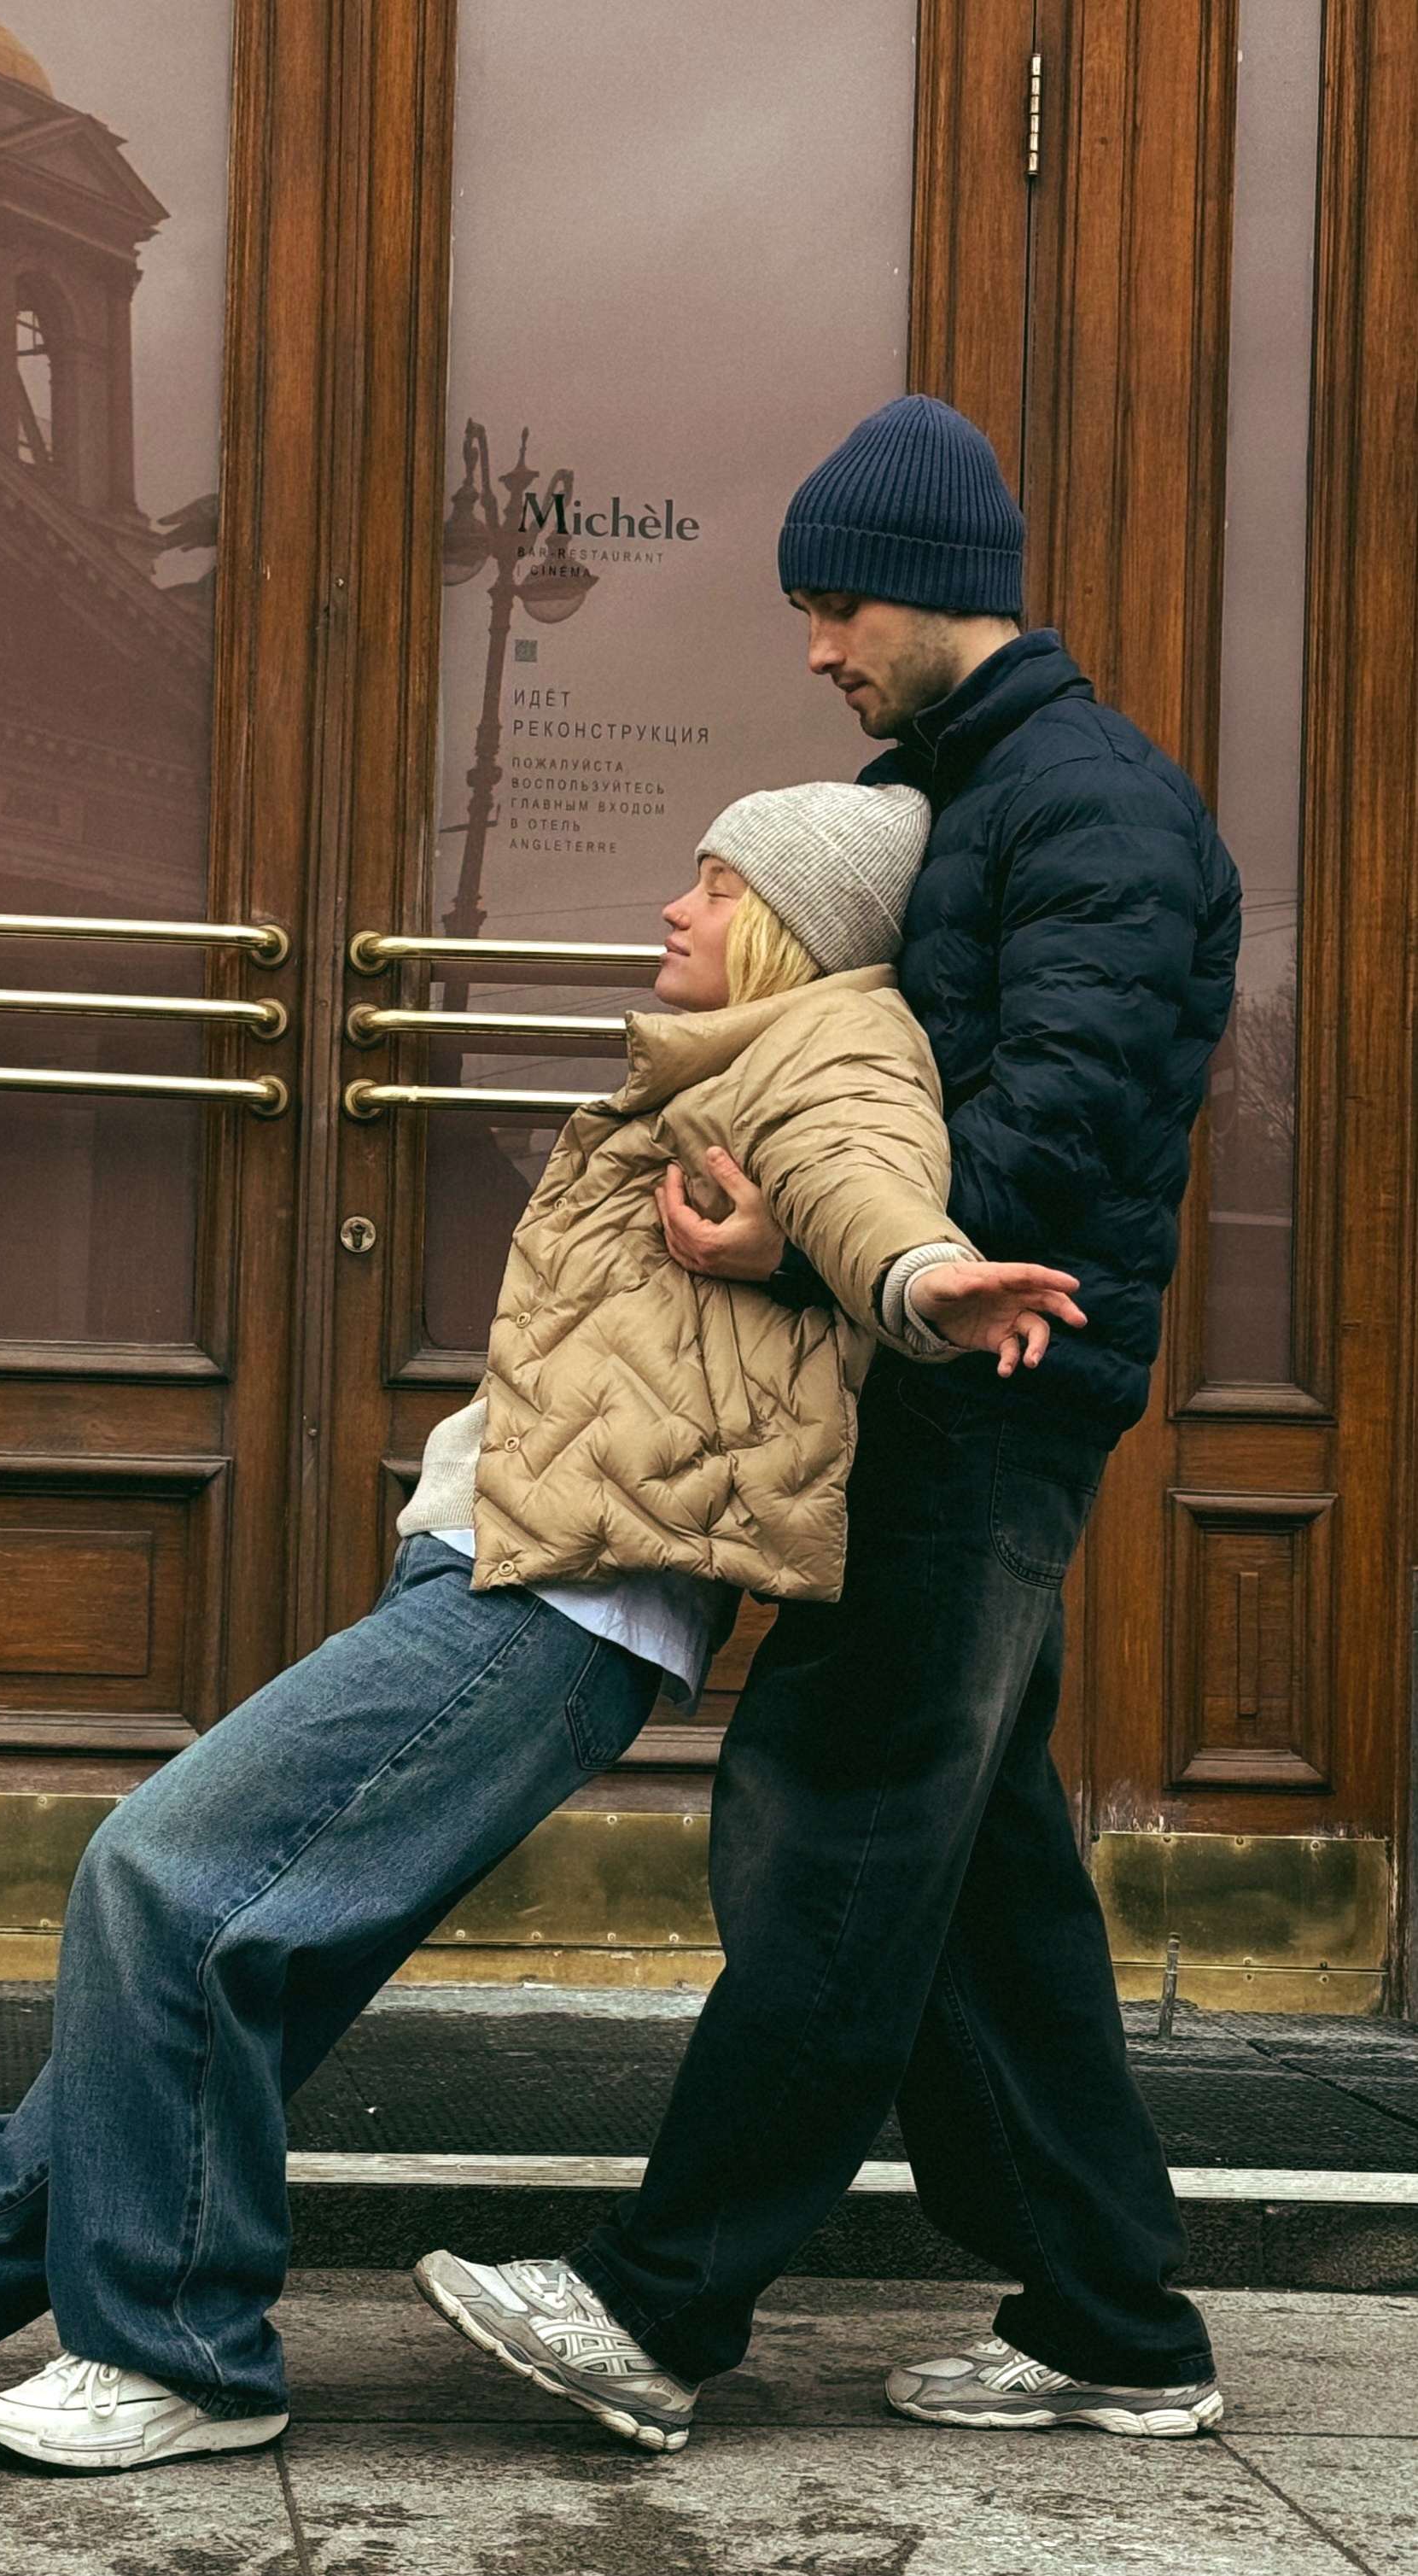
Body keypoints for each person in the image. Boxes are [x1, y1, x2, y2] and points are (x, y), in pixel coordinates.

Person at [0, 779, 1082, 2474]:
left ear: (790, 918)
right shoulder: (733, 1060)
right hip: (527, 1572)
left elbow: (869, 1195)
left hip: (560, 1591)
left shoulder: (836, 1046)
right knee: (244, 1950)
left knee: (163, 1878)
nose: (675, 910)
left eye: (713, 884)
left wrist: (923, 1283)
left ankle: (179, 2352)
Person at [417, 393, 1242, 2453]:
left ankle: (658, 2308)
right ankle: (1113, 2320)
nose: (814, 644)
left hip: (999, 1381)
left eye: (837, 600)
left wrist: (795, 1239)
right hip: (951, 1378)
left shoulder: (1090, 809)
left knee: (840, 1819)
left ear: (947, 589)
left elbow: (1054, 1120)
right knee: (973, 1866)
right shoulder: (965, 789)